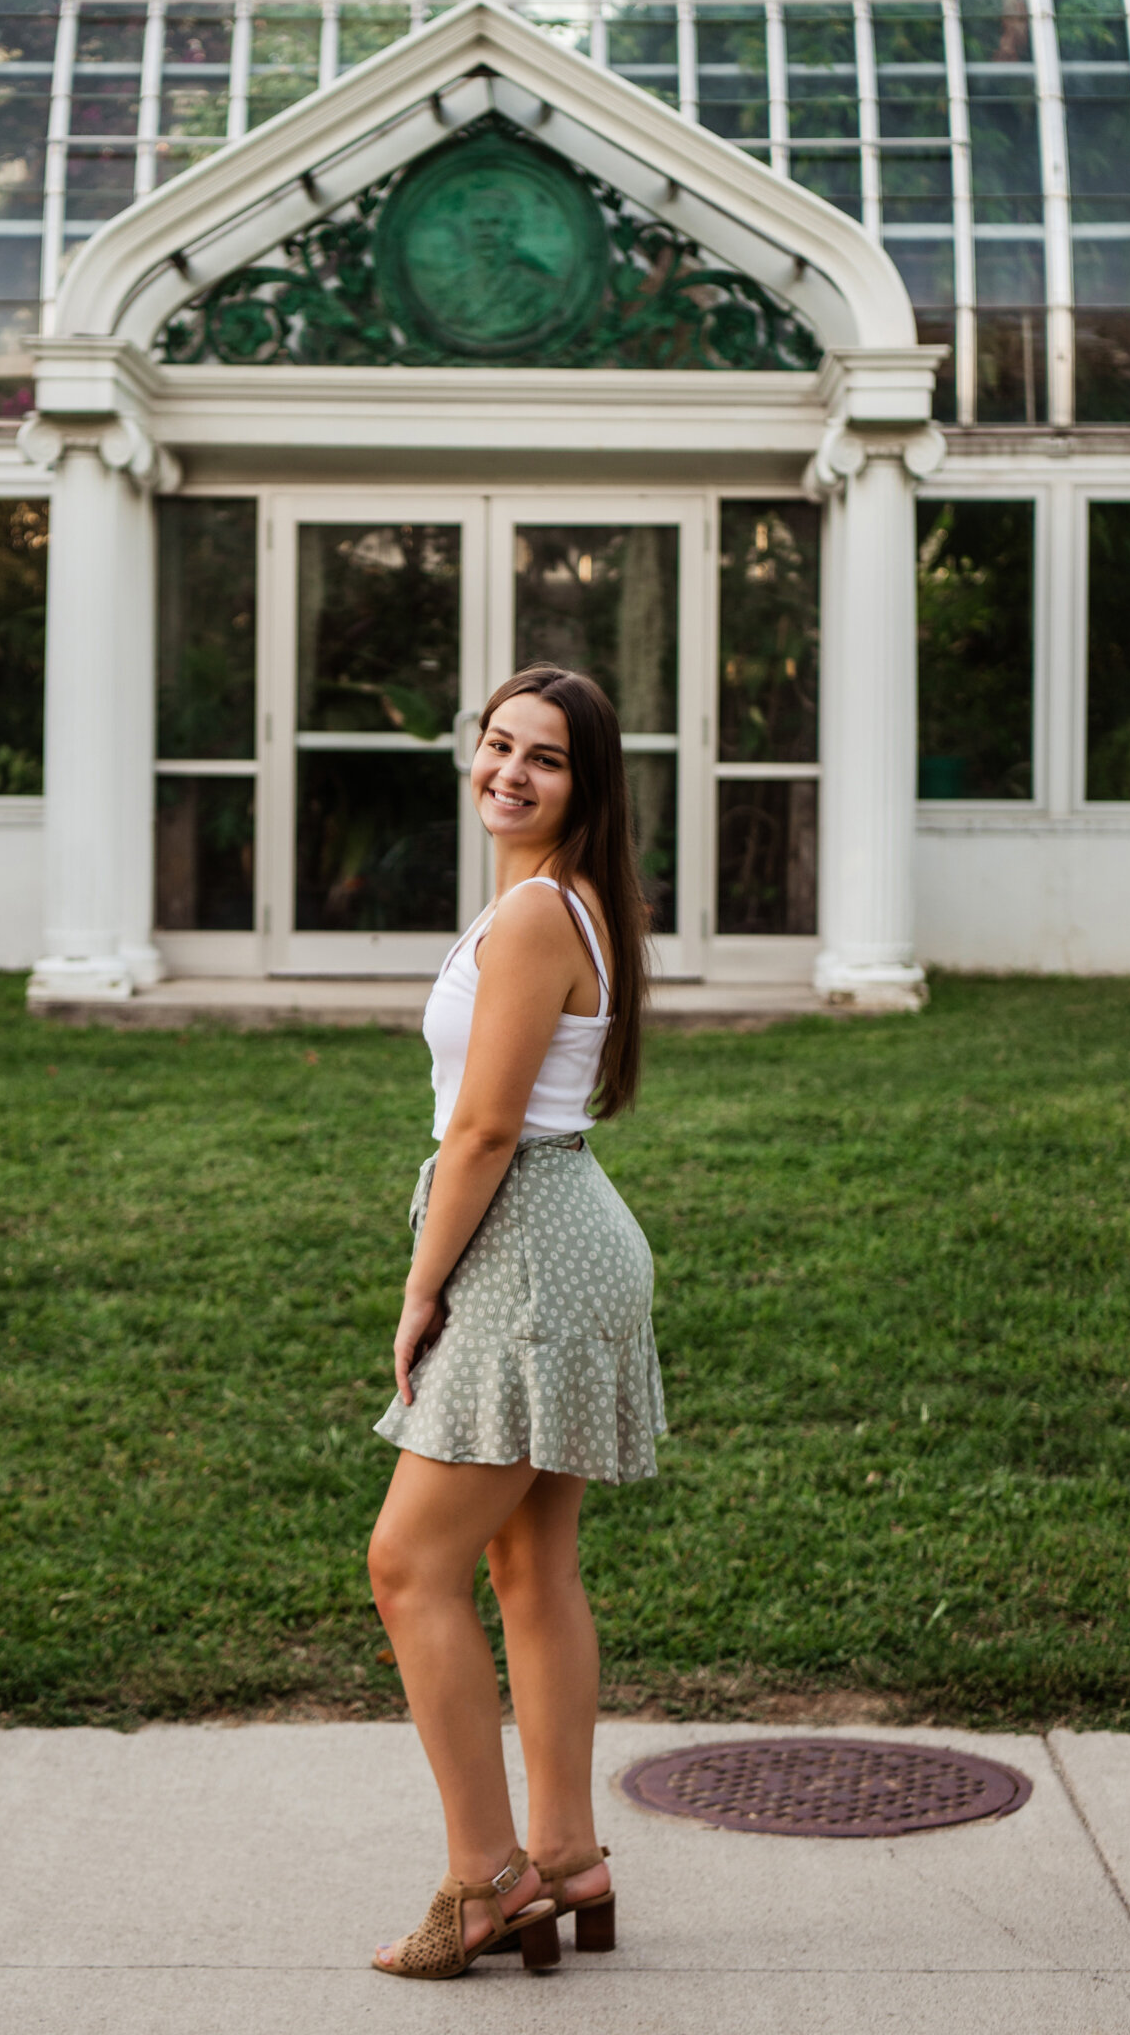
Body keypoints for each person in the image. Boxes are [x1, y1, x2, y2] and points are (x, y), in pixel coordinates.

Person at [368, 662, 667, 1982]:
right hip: (564, 1231)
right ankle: (566, 1857)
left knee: (408, 1565)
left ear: (582, 783)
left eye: (542, 757)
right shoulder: (555, 901)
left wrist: (423, 1284)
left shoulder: (541, 912)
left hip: (527, 1252)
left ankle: (485, 1882)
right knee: (527, 1568)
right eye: (496, 745)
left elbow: (486, 1127)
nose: (509, 772)